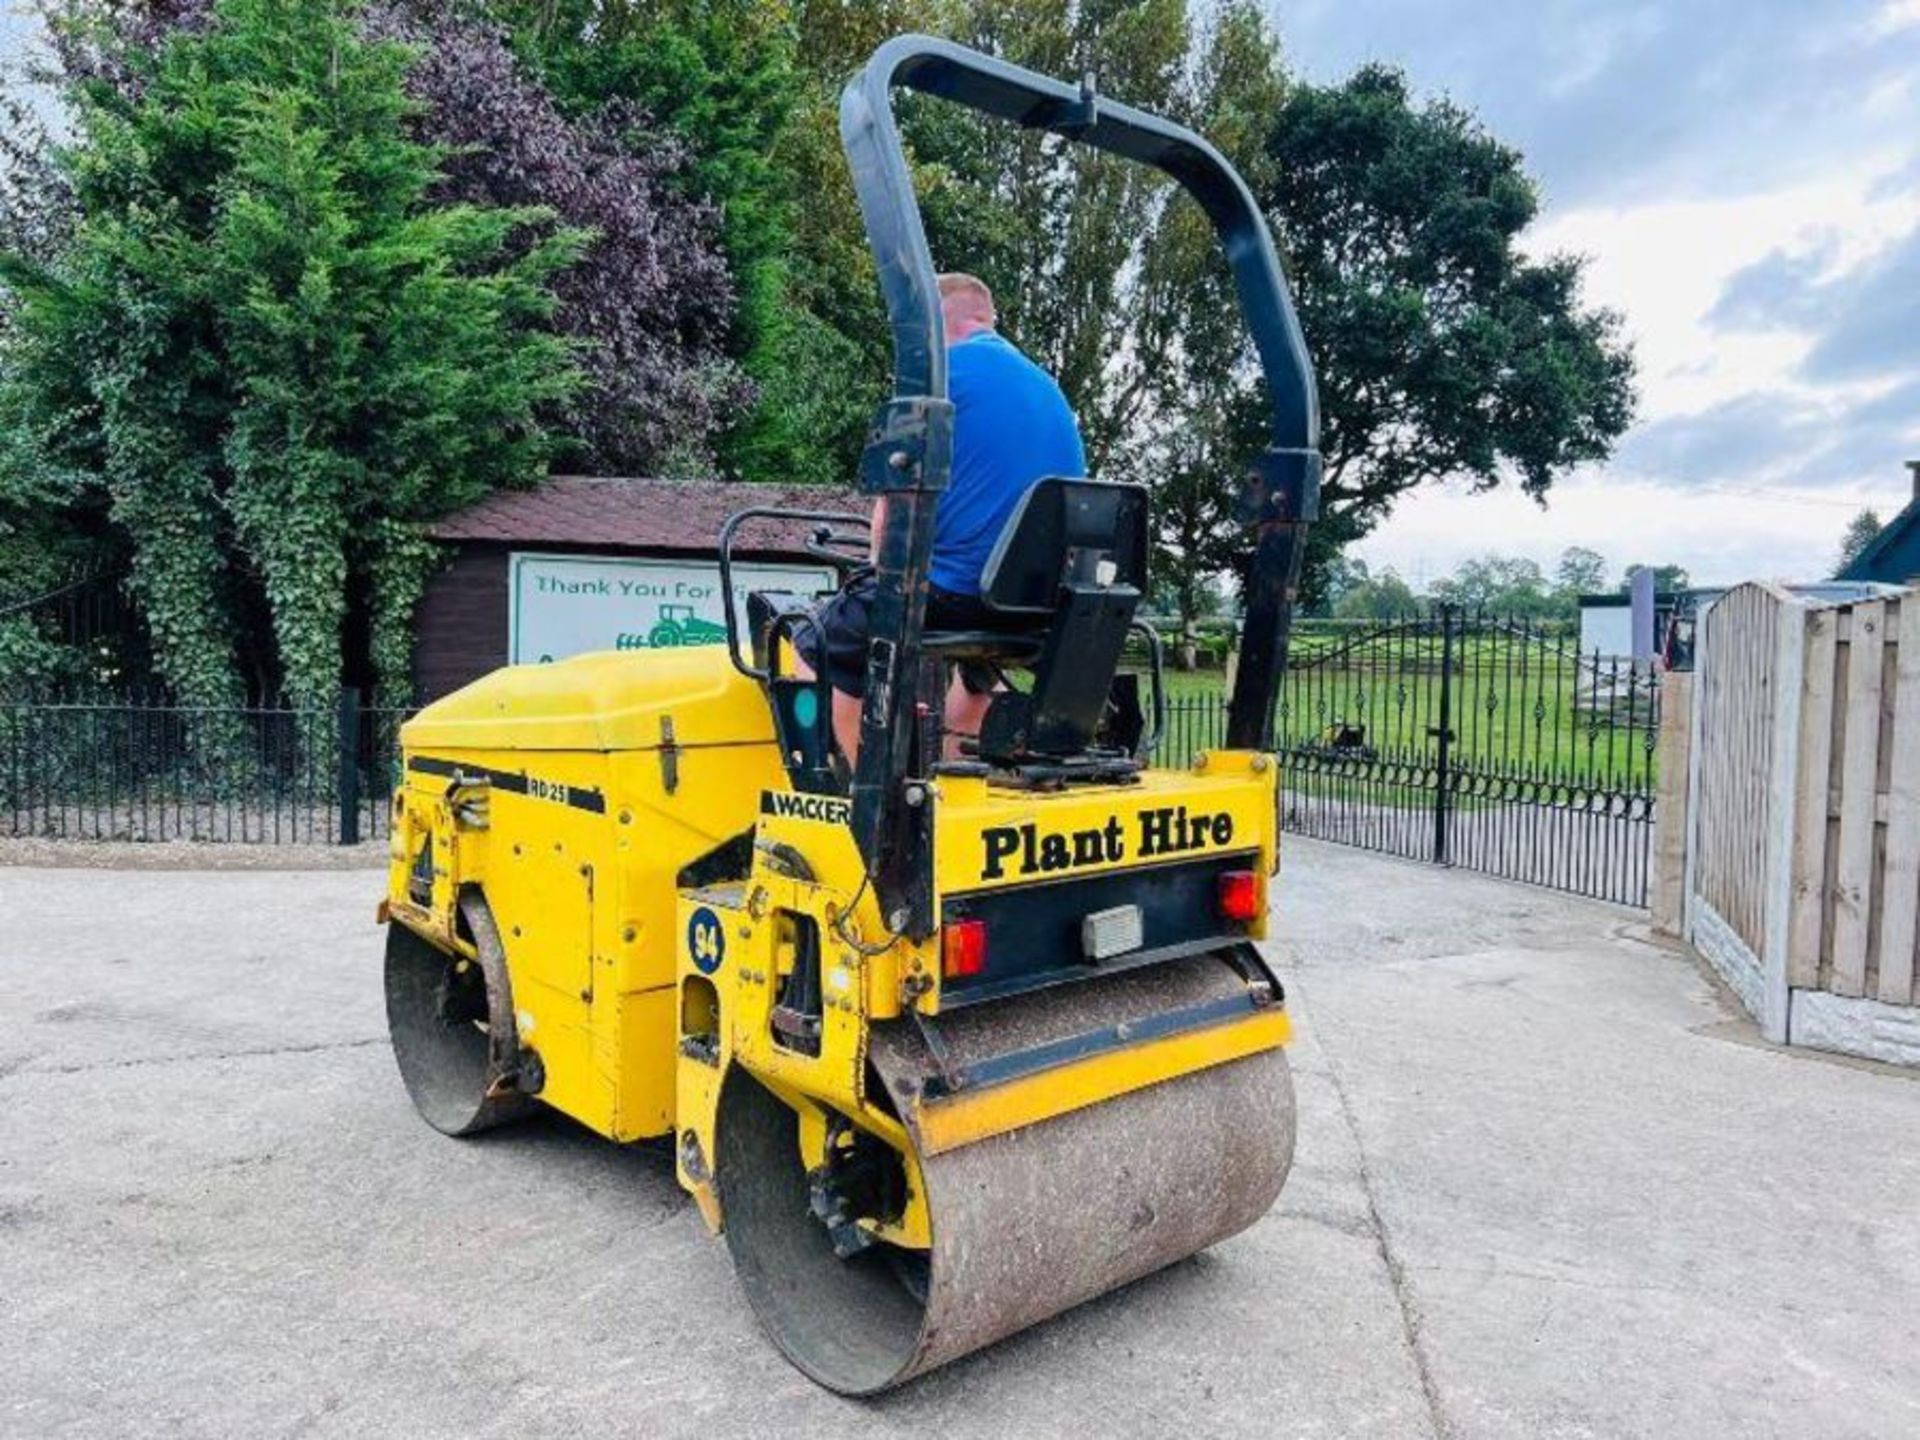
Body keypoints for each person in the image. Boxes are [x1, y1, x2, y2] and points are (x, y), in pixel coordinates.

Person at [796, 272, 1087, 764]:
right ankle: (956, 784)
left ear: (932, 326)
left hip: (955, 594)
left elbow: (893, 505)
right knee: (977, 676)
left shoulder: (935, 379)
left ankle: (850, 802)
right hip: (1031, 602)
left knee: (817, 643)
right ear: (984, 320)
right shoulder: (1048, 389)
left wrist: (876, 576)